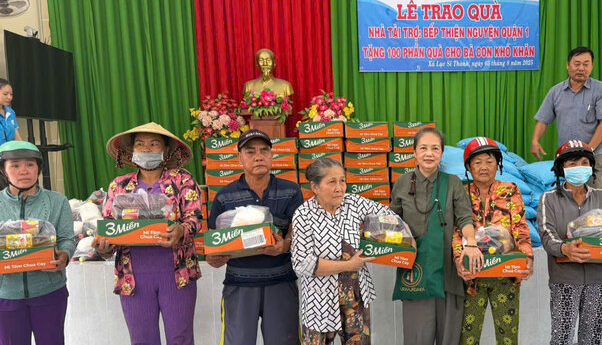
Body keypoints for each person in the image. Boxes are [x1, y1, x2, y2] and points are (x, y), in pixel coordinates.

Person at [93, 122, 203, 345]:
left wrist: (182, 229)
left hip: (176, 275)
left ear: (165, 151)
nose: (146, 149)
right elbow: (109, 227)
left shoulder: (183, 180)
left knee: (180, 338)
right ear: (132, 151)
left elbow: (195, 219)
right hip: (134, 278)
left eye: (154, 144)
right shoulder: (119, 186)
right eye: (140, 144)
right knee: (142, 340)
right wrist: (104, 246)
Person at [291, 158, 407, 344]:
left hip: (356, 296)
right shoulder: (303, 215)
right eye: (332, 182)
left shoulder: (353, 203)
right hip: (319, 301)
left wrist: (372, 236)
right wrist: (348, 265)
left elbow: (390, 219)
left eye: (342, 181)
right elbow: (302, 263)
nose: (339, 188)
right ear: (315, 187)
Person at [206, 129, 303, 345]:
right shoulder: (224, 196)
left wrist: (285, 245)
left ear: (272, 155)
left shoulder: (291, 191)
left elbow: (300, 232)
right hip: (239, 284)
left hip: (281, 283)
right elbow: (214, 243)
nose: (258, 156)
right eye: (250, 152)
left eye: (264, 151)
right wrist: (214, 258)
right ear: (239, 157)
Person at [390, 127, 483, 345]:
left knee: (448, 338)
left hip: (448, 273)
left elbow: (465, 219)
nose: (429, 153)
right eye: (423, 148)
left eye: (435, 148)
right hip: (415, 272)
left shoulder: (453, 183)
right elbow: (392, 222)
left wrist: (471, 244)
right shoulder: (402, 183)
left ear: (441, 153)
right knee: (416, 338)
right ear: (414, 152)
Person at [452, 137, 534, 345]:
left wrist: (527, 257)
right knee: (467, 337)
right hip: (471, 276)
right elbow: (456, 230)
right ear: (468, 167)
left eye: (489, 161)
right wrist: (457, 259)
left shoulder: (510, 189)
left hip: (505, 273)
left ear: (498, 164)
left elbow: (520, 227)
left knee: (508, 335)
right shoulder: (461, 193)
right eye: (477, 162)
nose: (483, 167)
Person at [538, 140, 602, 345]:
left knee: (592, 338)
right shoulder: (549, 198)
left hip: (599, 277)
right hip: (565, 278)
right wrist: (564, 248)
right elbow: (547, 234)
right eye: (572, 164)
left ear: (591, 166)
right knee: (562, 337)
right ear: (561, 169)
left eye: (583, 162)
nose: (579, 168)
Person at [0, 141, 73, 345]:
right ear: (3, 170)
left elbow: (67, 238)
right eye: (15, 165)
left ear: (38, 169)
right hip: (6, 294)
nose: (23, 171)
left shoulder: (57, 201)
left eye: (30, 165)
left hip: (49, 292)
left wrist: (64, 255)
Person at [531, 47, 602, 189]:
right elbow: (543, 119)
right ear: (568, 65)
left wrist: (588, 150)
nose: (581, 68)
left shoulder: (601, 89)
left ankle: (598, 212)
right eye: (577, 64)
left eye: (586, 64)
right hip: (567, 152)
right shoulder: (556, 91)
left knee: (593, 191)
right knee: (568, 191)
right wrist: (535, 140)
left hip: (595, 152)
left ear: (592, 66)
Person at [0, 79, 21, 145]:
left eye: (11, 94)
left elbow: (17, 138)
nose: (9, 97)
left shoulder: (11, 112)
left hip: (9, 154)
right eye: (5, 94)